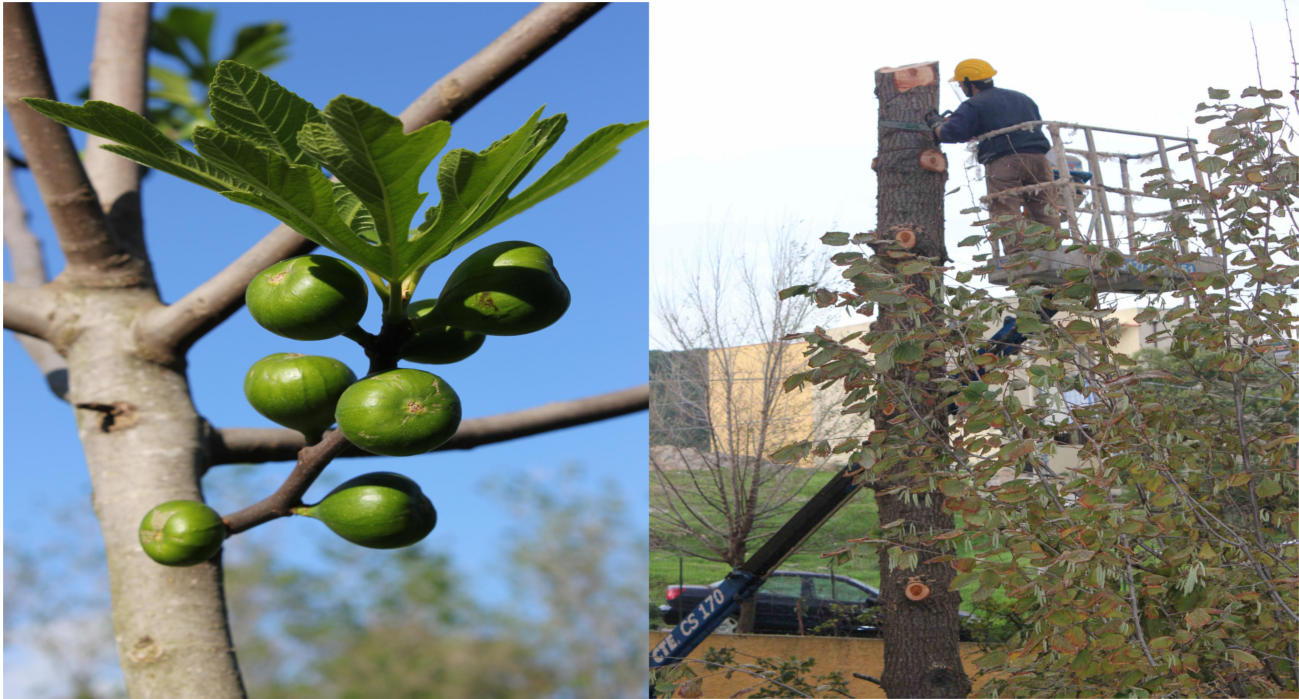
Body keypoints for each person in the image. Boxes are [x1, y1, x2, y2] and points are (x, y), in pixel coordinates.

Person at [932, 59, 1059, 254]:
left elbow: (953, 132)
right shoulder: (1022, 98)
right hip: (1040, 160)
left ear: (969, 83)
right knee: (1044, 207)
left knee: (1006, 208)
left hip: (1005, 161)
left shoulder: (974, 105)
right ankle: (1053, 250)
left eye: (961, 84)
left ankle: (1018, 254)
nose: (962, 88)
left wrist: (936, 128)